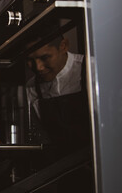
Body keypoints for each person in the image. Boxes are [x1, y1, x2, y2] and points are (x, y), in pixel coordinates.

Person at [25, 34, 94, 193]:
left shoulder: (92, 69)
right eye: (30, 60)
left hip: (101, 168)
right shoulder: (32, 87)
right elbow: (40, 136)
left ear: (64, 46)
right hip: (61, 173)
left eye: (45, 57)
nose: (39, 67)